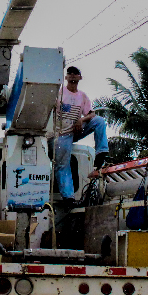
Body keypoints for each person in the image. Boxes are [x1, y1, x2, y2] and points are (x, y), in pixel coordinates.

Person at [54, 66, 109, 207]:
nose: (72, 76)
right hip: (62, 134)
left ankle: (101, 152)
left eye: (75, 73)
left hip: (76, 130)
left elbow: (91, 114)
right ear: (66, 77)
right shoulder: (59, 93)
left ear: (80, 77)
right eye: (70, 73)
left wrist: (81, 120)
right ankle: (68, 197)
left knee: (99, 121)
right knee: (63, 164)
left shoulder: (82, 96)